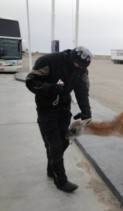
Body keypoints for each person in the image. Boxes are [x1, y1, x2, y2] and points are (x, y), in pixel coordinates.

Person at [26, 46, 93, 193]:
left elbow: (82, 91)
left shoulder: (81, 69)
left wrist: (86, 112)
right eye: (77, 64)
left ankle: (52, 169)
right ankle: (60, 180)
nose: (79, 67)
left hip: (63, 109)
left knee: (63, 142)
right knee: (54, 145)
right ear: (71, 58)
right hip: (46, 108)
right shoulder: (48, 61)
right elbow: (30, 81)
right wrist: (50, 88)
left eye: (82, 66)